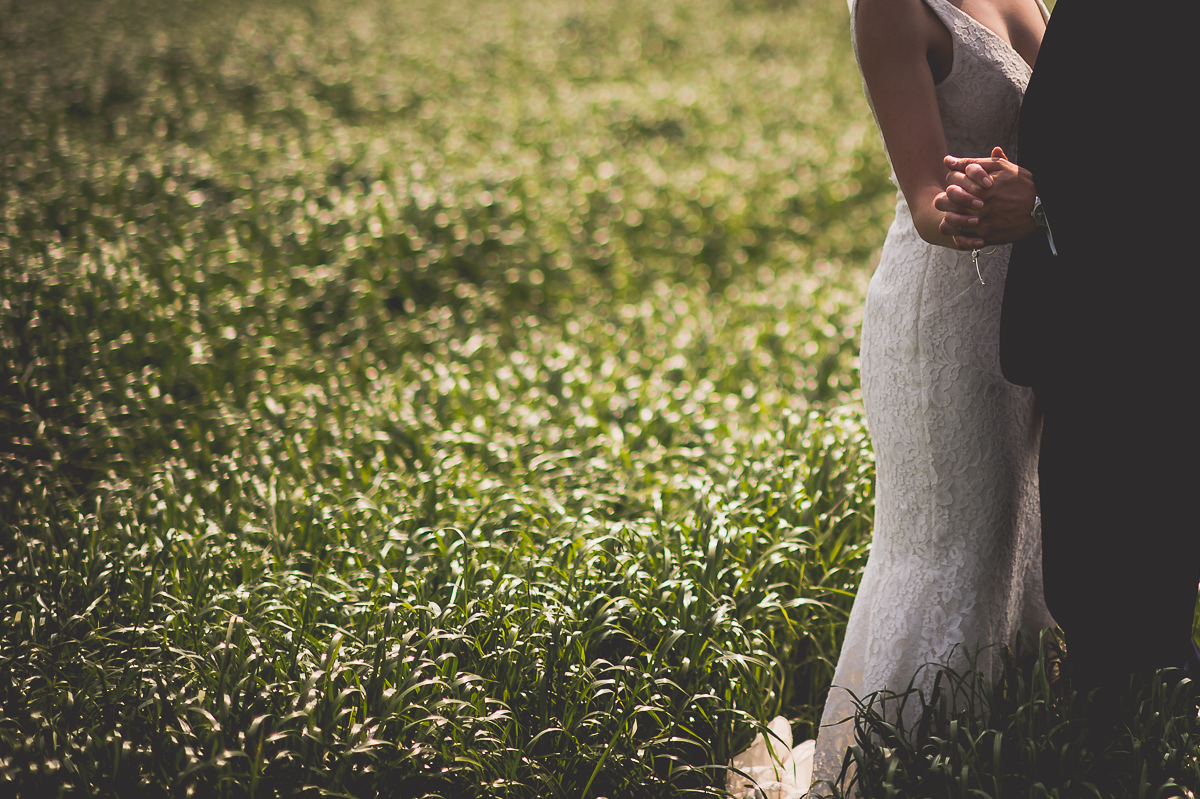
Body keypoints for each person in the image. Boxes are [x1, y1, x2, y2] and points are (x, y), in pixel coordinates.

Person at [935, 0, 1200, 694]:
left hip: (1138, 340)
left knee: (1124, 616)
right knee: (1107, 603)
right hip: (1096, 329)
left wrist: (1050, 201)